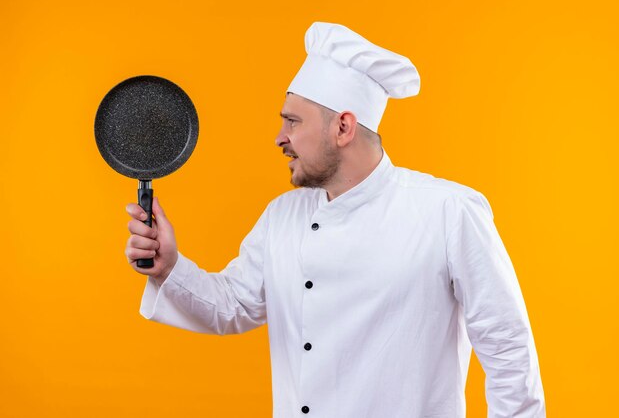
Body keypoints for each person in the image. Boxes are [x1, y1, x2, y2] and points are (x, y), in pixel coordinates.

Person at [125, 22, 546, 418]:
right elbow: (233, 306)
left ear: (343, 127)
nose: (279, 137)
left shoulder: (448, 212)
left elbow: (507, 348)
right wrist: (170, 267)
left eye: (292, 121)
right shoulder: (282, 217)